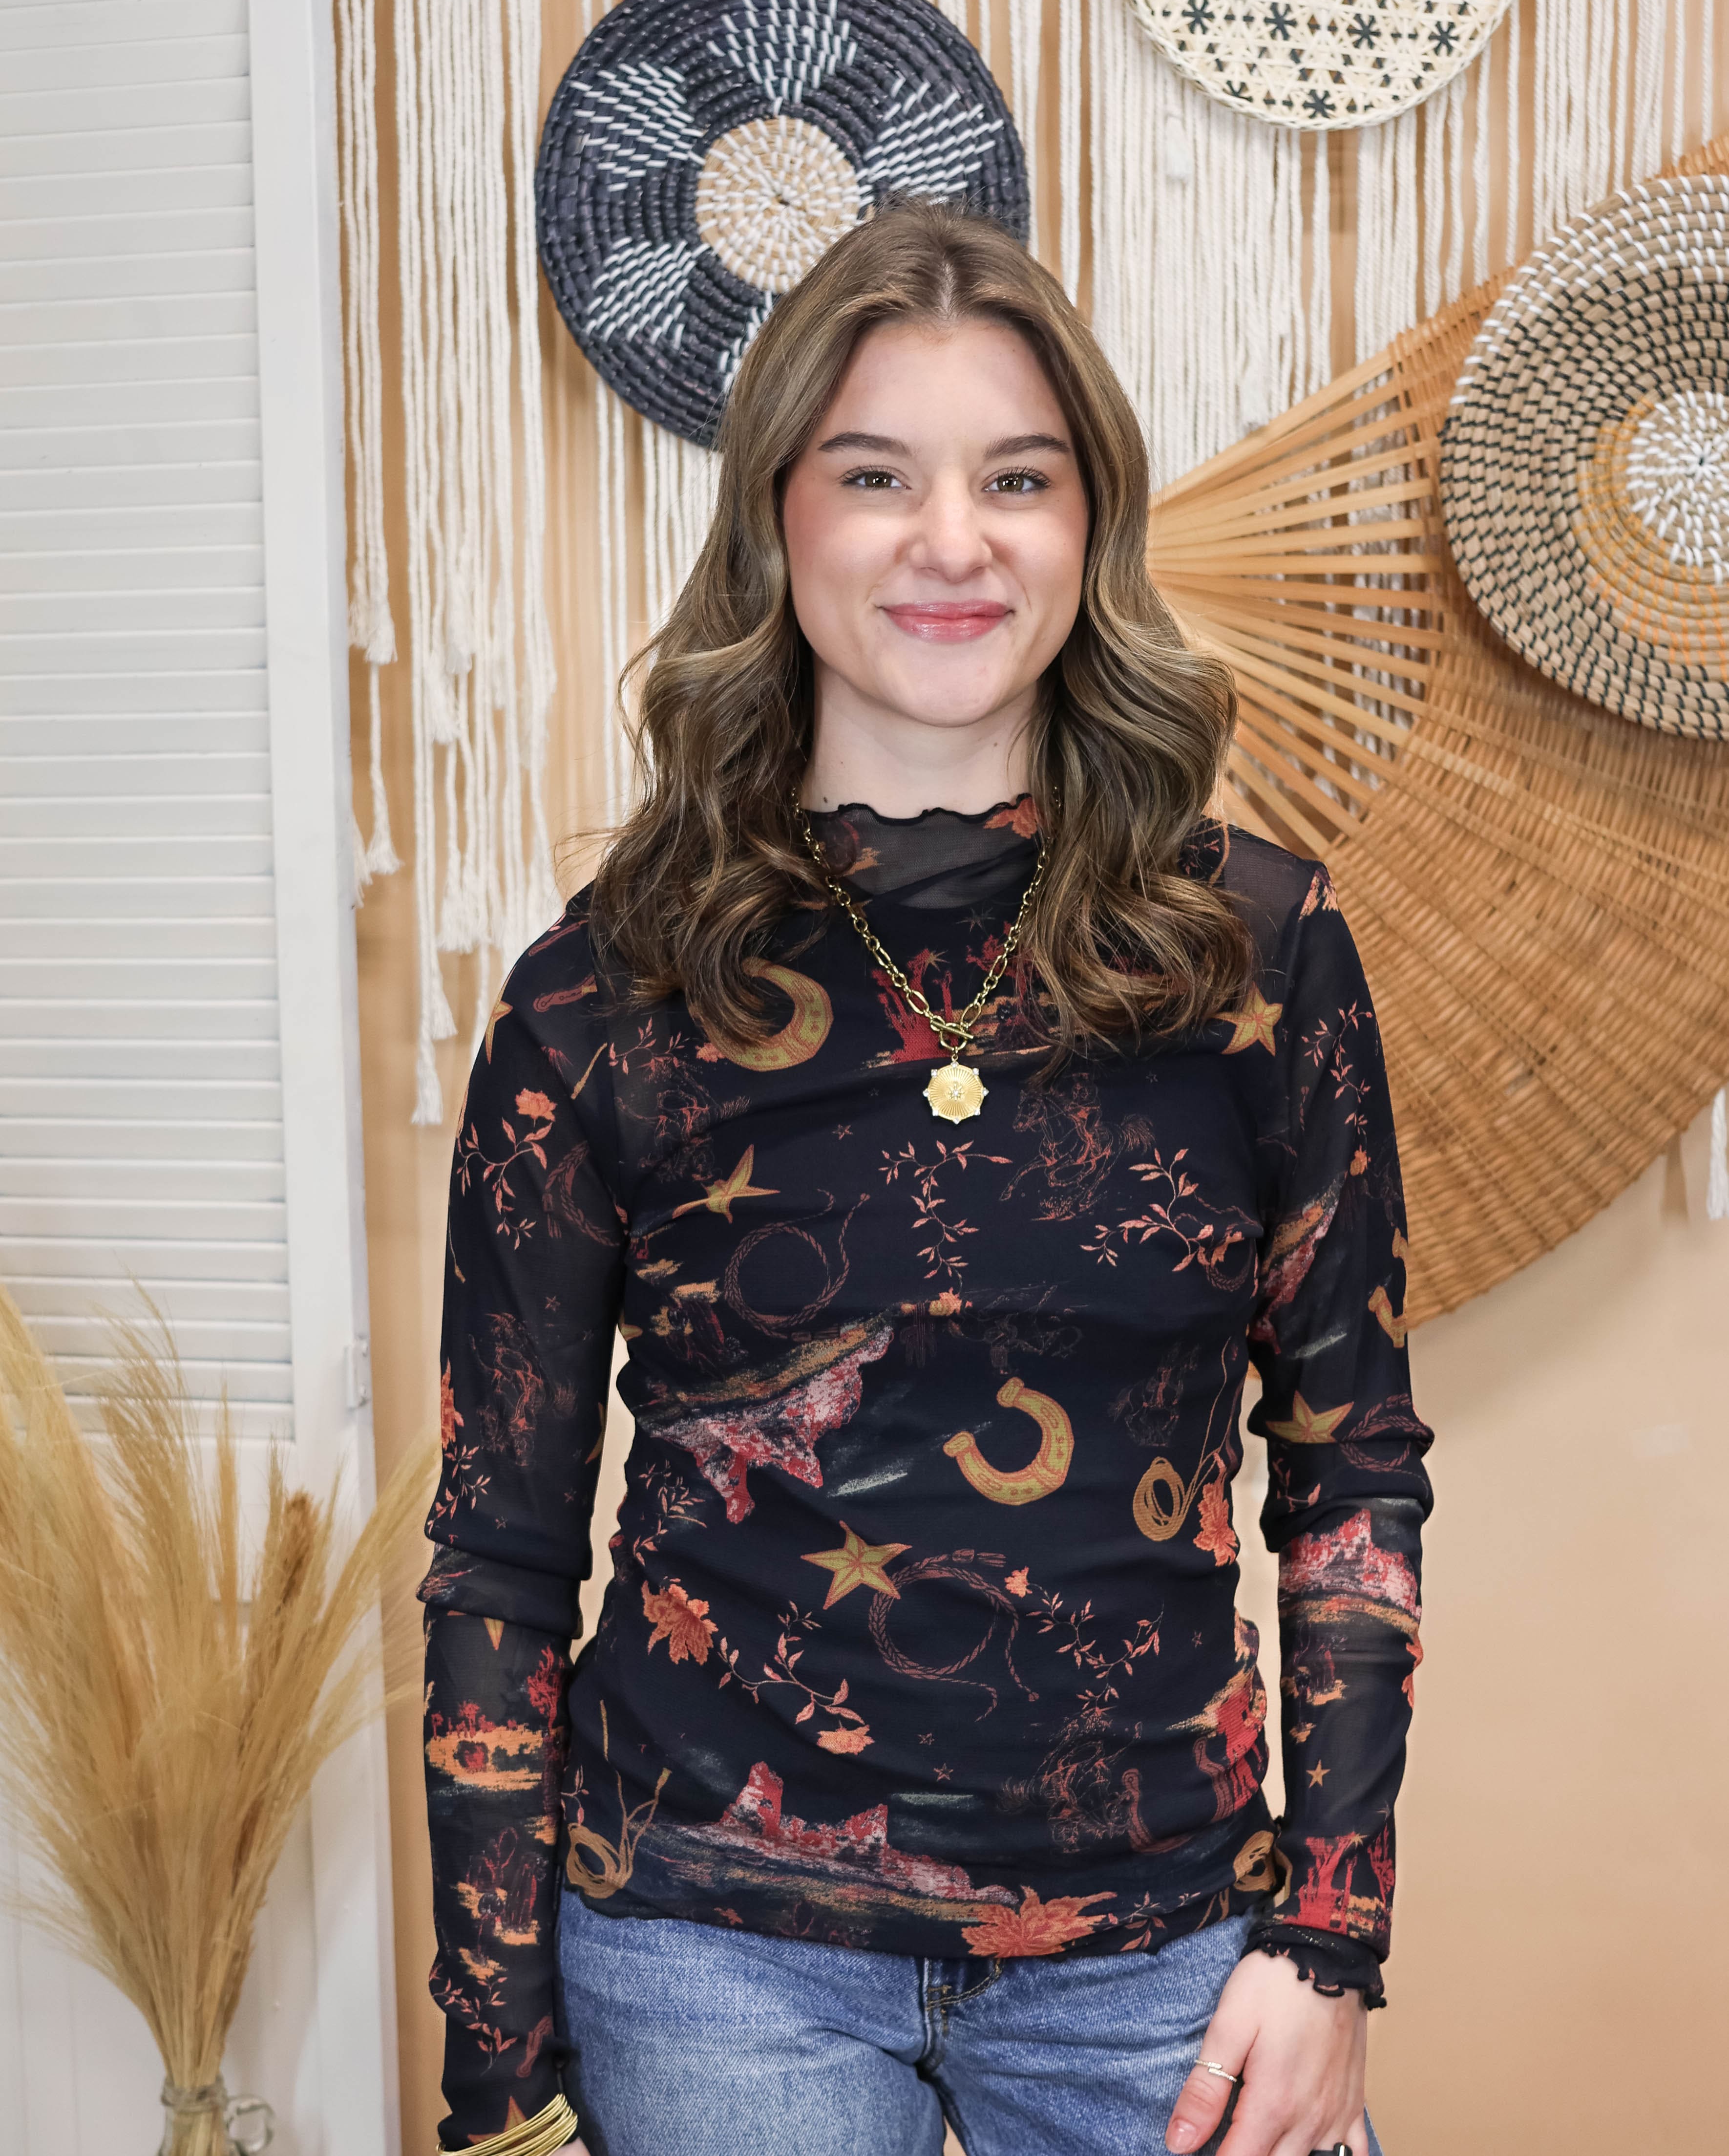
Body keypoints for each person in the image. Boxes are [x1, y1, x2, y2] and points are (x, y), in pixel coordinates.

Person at [419, 197, 1433, 2156]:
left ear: (1089, 528)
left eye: (1017, 479)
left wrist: (1330, 1941)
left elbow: (1352, 1478)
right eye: (876, 474)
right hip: (711, 1945)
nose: (951, 540)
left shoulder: (1257, 955)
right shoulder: (602, 994)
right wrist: (501, 2076)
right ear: (777, 519)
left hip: (1165, 1938)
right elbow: (498, 1558)